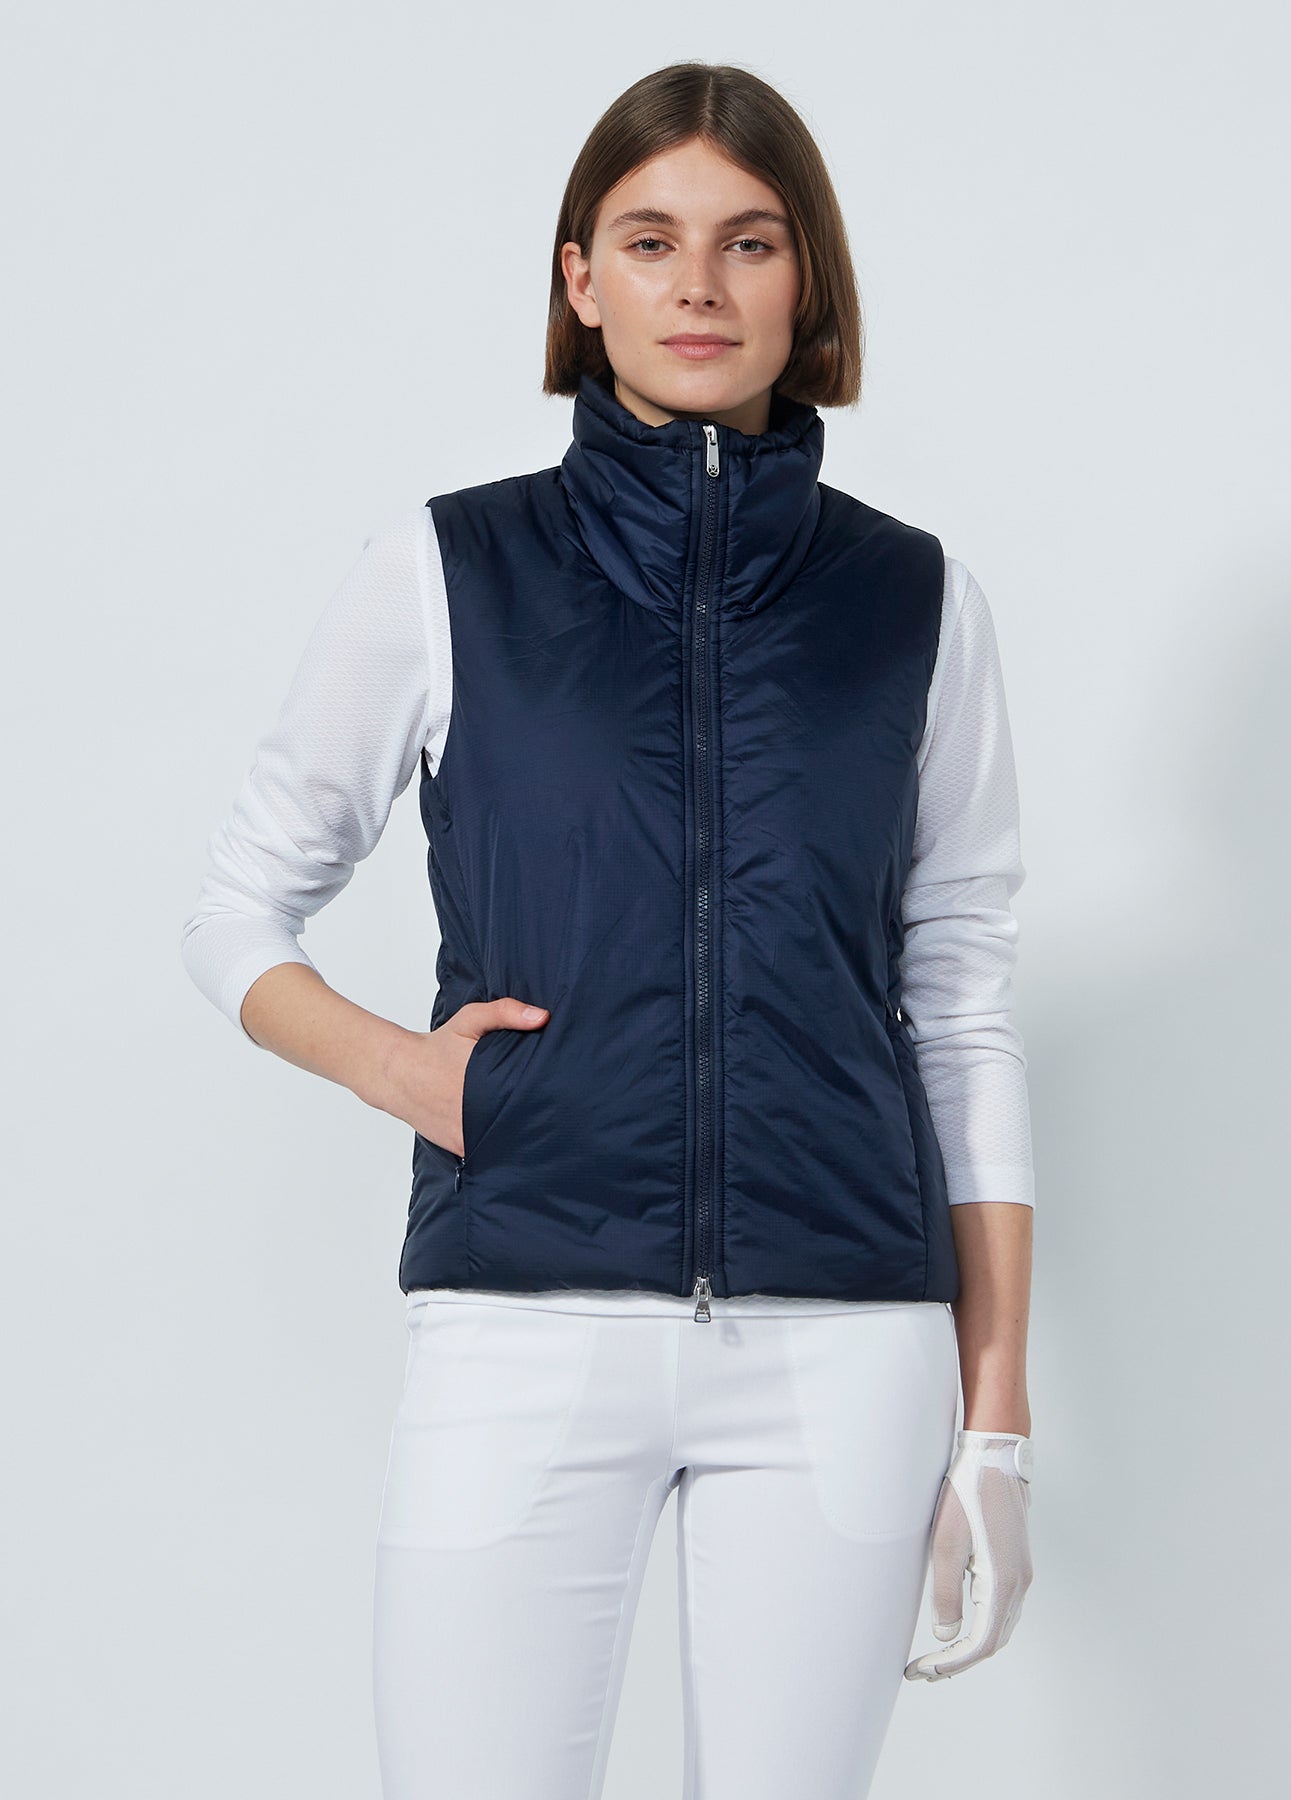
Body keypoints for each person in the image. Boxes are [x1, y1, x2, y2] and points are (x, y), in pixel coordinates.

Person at [181, 60, 1035, 1800]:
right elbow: (233, 910)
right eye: (650, 242)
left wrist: (997, 1420)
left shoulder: (913, 602)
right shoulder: (448, 571)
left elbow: (957, 1003)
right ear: (581, 281)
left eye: (748, 242)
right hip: (521, 1320)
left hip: (841, 1338)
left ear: (806, 283)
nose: (698, 285)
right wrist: (405, 1074)